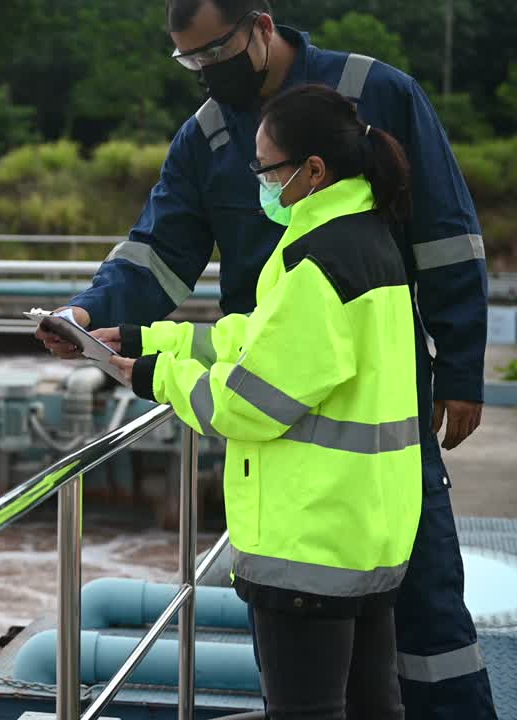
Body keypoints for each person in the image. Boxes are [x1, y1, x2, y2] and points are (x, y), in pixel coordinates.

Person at [35, 1, 496, 717]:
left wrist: (462, 369)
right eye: (189, 61)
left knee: (422, 623)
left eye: (214, 53)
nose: (206, 74)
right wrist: (97, 315)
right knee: (350, 664)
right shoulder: (208, 135)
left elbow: (446, 240)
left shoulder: (376, 93)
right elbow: (161, 252)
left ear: (262, 24)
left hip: (362, 412)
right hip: (291, 453)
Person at [111, 82, 420, 719]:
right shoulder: (365, 239)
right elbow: (255, 339)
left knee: (306, 711)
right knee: (371, 707)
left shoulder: (319, 262)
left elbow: (250, 401)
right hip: (364, 528)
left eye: (266, 168)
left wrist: (153, 378)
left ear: (312, 170)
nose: (260, 181)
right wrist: (149, 336)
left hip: (308, 539)